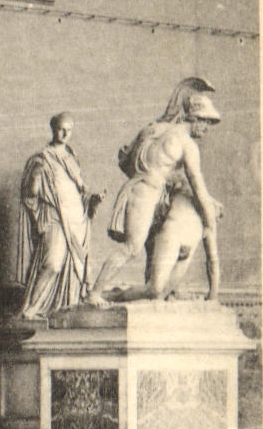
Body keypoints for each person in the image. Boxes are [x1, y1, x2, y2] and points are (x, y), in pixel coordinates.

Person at [86, 78, 223, 304]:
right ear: (194, 119)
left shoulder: (154, 128)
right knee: (132, 247)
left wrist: (158, 174)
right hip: (147, 193)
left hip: (136, 189)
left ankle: (161, 293)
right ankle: (95, 292)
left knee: (153, 245)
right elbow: (198, 187)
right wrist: (209, 220)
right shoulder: (187, 145)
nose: (207, 129)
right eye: (206, 123)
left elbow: (124, 160)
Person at [16, 114, 102, 319]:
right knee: (53, 262)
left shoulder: (72, 158)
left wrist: (92, 200)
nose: (64, 134)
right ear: (53, 129)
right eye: (61, 129)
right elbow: (30, 194)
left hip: (75, 219)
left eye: (69, 130)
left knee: (73, 267)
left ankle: (64, 310)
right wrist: (36, 175)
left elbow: (78, 192)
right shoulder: (41, 158)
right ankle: (31, 309)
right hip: (54, 215)